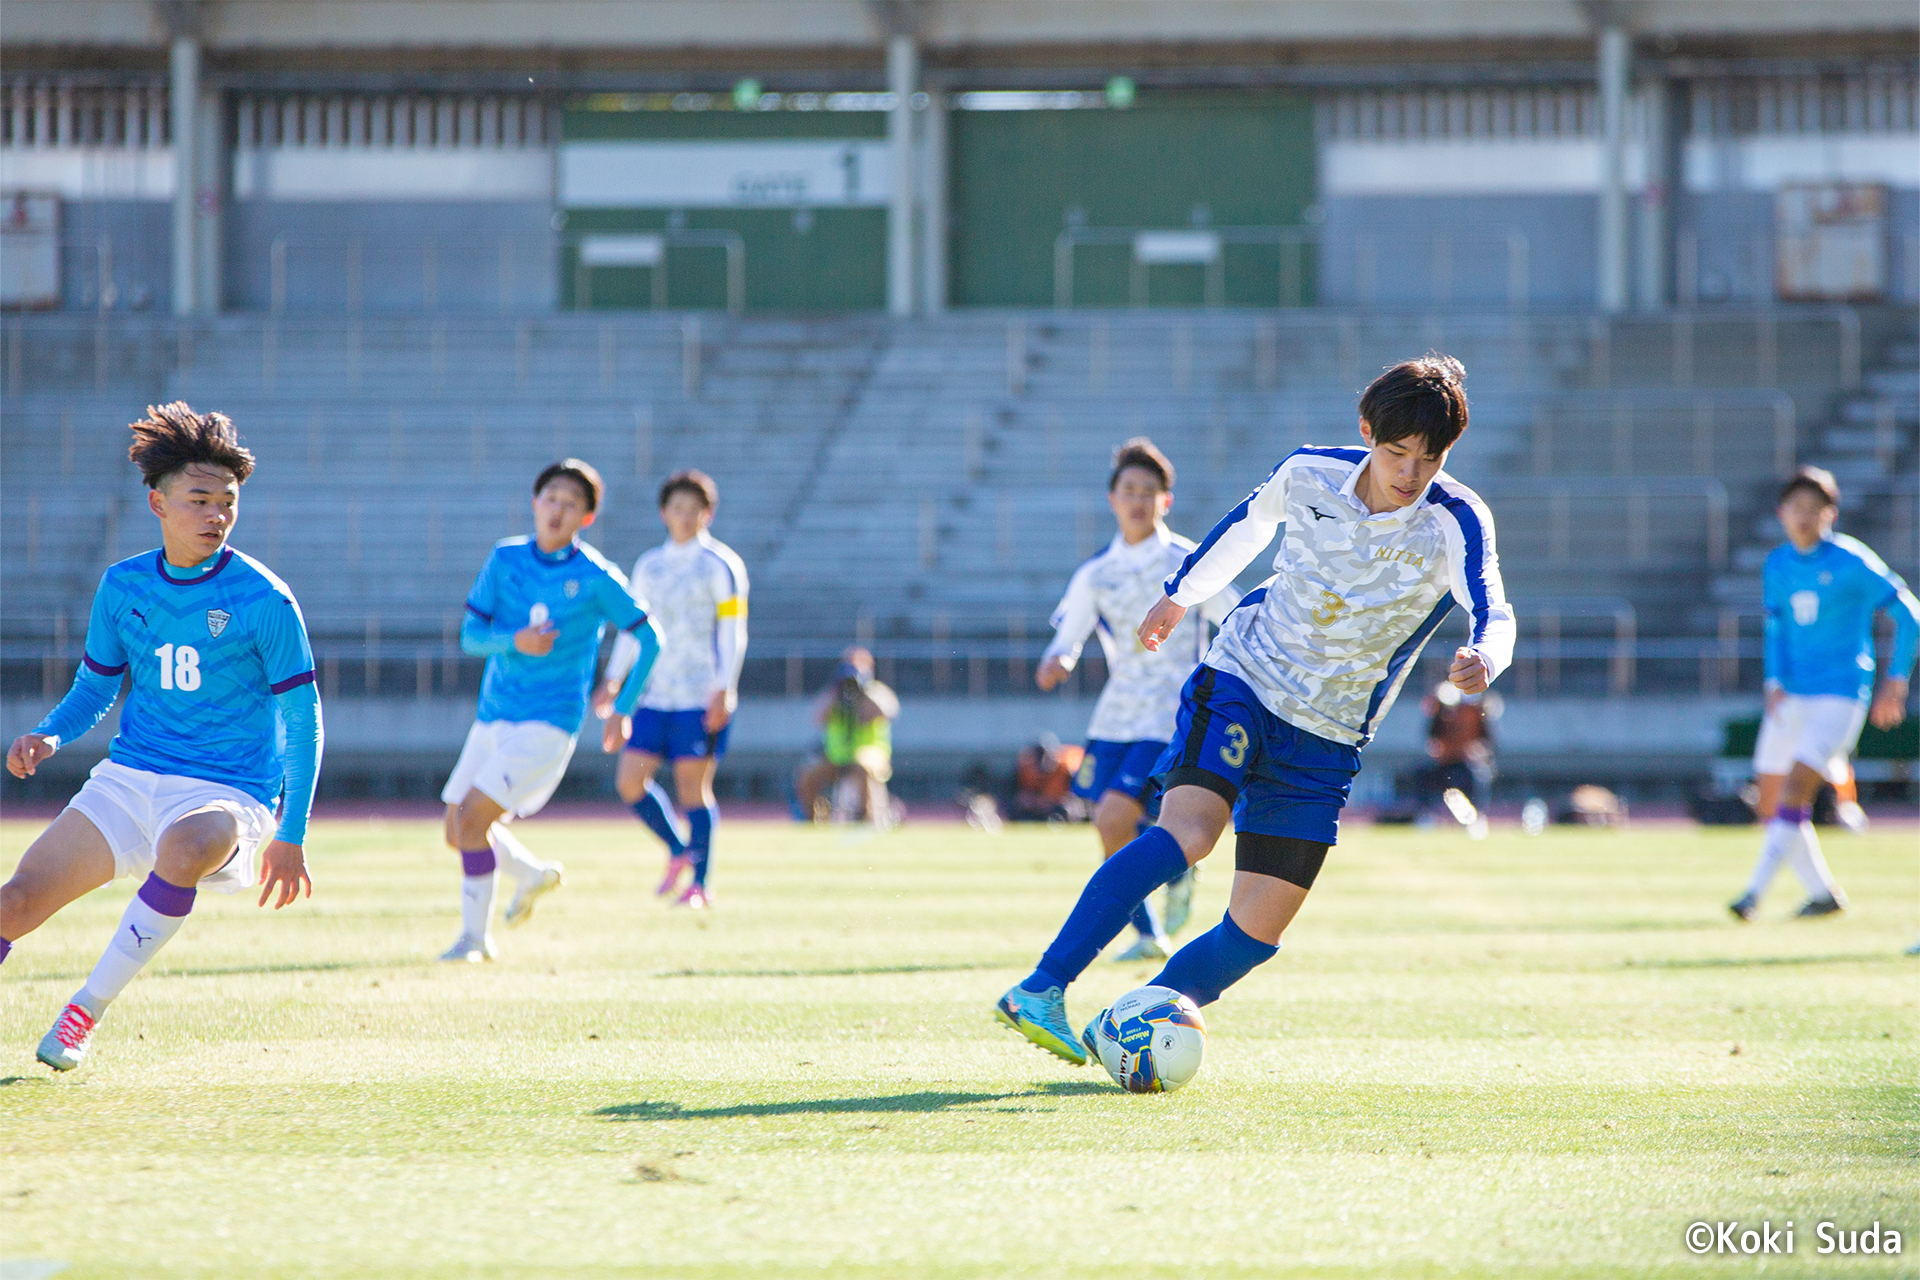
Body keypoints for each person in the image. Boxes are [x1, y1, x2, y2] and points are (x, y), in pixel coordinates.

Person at [995, 354, 1515, 1064]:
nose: (1410, 474)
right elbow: (1245, 527)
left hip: (1329, 734)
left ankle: (1126, 1021)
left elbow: (1493, 605)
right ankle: (1043, 986)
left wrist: (1486, 652)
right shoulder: (1308, 473)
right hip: (1245, 675)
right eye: (1396, 453)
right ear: (1367, 432)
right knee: (1191, 833)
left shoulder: (1456, 518)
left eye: (1429, 458)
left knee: (1257, 931)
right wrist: (1179, 595)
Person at [2, 403, 324, 1071]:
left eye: (227, 502)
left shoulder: (265, 599)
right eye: (199, 499)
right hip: (129, 781)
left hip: (227, 791)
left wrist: (291, 832)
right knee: (18, 902)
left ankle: (83, 1012)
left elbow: (303, 717)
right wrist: (50, 735)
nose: (216, 515)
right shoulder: (123, 586)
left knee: (184, 847)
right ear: (158, 502)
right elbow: (96, 687)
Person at [440, 458, 660, 962]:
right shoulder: (505, 558)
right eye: (551, 498)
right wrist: (513, 641)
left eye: (572, 504)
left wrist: (622, 705)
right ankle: (533, 875)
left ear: (586, 518)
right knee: (457, 831)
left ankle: (475, 941)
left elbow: (649, 638)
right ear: (535, 503)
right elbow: (470, 637)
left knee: (473, 820)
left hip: (549, 721)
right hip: (493, 715)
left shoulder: (596, 576)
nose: (558, 509)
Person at [1036, 437, 1238, 961]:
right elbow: (1068, 637)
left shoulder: (1189, 561)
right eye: (1129, 489)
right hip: (1117, 714)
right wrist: (1058, 660)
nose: (1138, 500)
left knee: (1112, 818)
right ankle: (1170, 885)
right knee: (1112, 821)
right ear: (1112, 499)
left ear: (1165, 501)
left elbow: (1234, 618)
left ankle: (1151, 927)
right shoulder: (1096, 573)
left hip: (1171, 712)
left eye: (1149, 491)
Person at [1728, 466, 1918, 922]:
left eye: (1814, 509)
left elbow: (1909, 613)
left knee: (1796, 791)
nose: (1804, 518)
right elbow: (1775, 629)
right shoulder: (1777, 564)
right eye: (1796, 508)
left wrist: (1897, 678)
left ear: (1830, 514)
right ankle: (1822, 893)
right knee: (1771, 800)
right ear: (1781, 514)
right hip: (1791, 695)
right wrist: (1773, 682)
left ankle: (1752, 894)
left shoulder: (1851, 561)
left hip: (1841, 694)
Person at [598, 469, 748, 910]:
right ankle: (679, 849)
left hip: (698, 696)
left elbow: (732, 629)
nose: (684, 517)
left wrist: (726, 686)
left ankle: (700, 883)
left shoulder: (721, 565)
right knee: (629, 782)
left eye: (693, 510)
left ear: (708, 514)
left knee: (693, 790)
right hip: (652, 694)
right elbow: (632, 629)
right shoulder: (649, 566)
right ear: (664, 512)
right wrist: (614, 677)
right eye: (676, 508)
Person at [794, 647, 900, 825]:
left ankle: (866, 819)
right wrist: (837, 693)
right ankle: (813, 820)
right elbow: (817, 717)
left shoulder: (876, 691)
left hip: (870, 756)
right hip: (837, 757)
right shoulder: (835, 693)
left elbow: (889, 711)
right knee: (807, 776)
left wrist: (864, 691)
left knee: (861, 767)